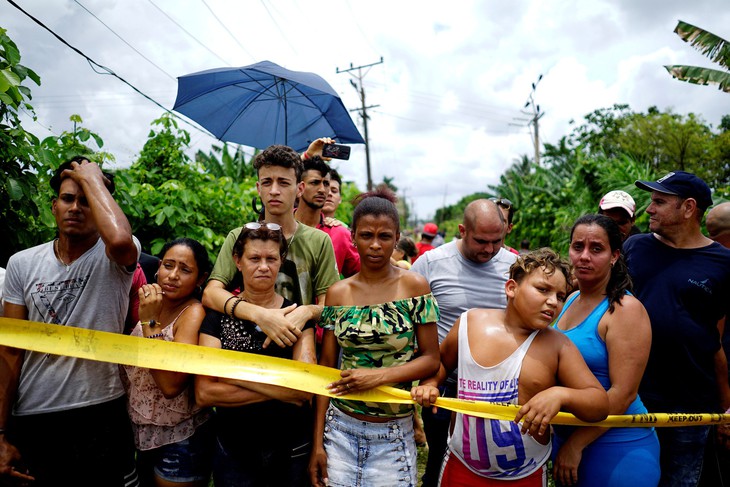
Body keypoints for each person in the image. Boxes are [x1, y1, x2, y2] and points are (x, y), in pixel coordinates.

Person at [412, 248, 609, 485]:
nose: (552, 302)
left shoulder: (557, 346)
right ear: (511, 288)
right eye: (543, 289)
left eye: (560, 296)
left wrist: (561, 394)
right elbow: (442, 362)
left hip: (526, 474)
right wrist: (431, 383)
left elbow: (599, 404)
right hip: (461, 467)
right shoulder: (470, 323)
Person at [0, 157, 140, 486]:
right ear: (53, 206)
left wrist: (91, 176)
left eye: (87, 200)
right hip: (35, 415)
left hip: (101, 411)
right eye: (67, 199)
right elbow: (10, 352)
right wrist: (1, 432)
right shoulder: (21, 264)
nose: (75, 208)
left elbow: (119, 239)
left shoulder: (116, 256)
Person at [308, 190, 441, 487]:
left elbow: (432, 359)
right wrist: (317, 444)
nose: (376, 245)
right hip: (340, 429)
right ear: (353, 236)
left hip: (394, 433)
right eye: (367, 235)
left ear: (397, 238)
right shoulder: (338, 293)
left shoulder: (415, 287)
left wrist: (378, 377)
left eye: (385, 236)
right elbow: (325, 369)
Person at [624, 170, 730, 487]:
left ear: (687, 208)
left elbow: (717, 338)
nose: (648, 209)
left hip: (691, 408)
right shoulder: (635, 248)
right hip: (630, 399)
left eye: (659, 201)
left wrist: (725, 409)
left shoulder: (723, 263)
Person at [196, 222, 316, 486]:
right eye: (254, 258)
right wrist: (281, 386)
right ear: (237, 261)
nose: (264, 266)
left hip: (292, 448)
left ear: (281, 261)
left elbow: (304, 390)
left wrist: (230, 376)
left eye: (271, 258)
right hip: (233, 450)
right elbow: (205, 392)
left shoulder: (296, 317)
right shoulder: (217, 317)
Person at [411, 198, 517, 487]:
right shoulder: (431, 263)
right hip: (443, 385)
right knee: (439, 462)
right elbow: (404, 314)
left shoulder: (514, 266)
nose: (490, 250)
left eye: (497, 241)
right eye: (481, 241)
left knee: (489, 465)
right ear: (462, 230)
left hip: (497, 388)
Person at [553, 214, 659, 487]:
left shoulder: (625, 310)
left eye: (596, 249)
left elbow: (623, 394)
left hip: (617, 447)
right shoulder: (571, 298)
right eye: (578, 247)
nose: (584, 256)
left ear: (614, 256)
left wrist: (576, 444)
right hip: (570, 441)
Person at [203, 145, 339, 349]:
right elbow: (211, 293)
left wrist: (306, 312)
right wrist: (260, 316)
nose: (274, 191)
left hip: (300, 343)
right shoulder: (238, 236)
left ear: (299, 189)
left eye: (283, 183)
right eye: (267, 182)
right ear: (259, 188)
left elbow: (332, 306)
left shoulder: (319, 241)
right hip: (243, 344)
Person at [122, 238, 213, 487]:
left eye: (185, 270)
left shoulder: (193, 313)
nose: (173, 276)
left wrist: (150, 322)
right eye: (168, 265)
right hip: (143, 431)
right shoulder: (152, 302)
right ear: (159, 266)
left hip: (181, 437)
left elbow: (171, 385)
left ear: (201, 278)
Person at [295, 155, 360, 278]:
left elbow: (364, 276)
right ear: (300, 187)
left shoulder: (340, 233)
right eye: (315, 183)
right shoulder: (283, 226)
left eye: (326, 184)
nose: (322, 190)